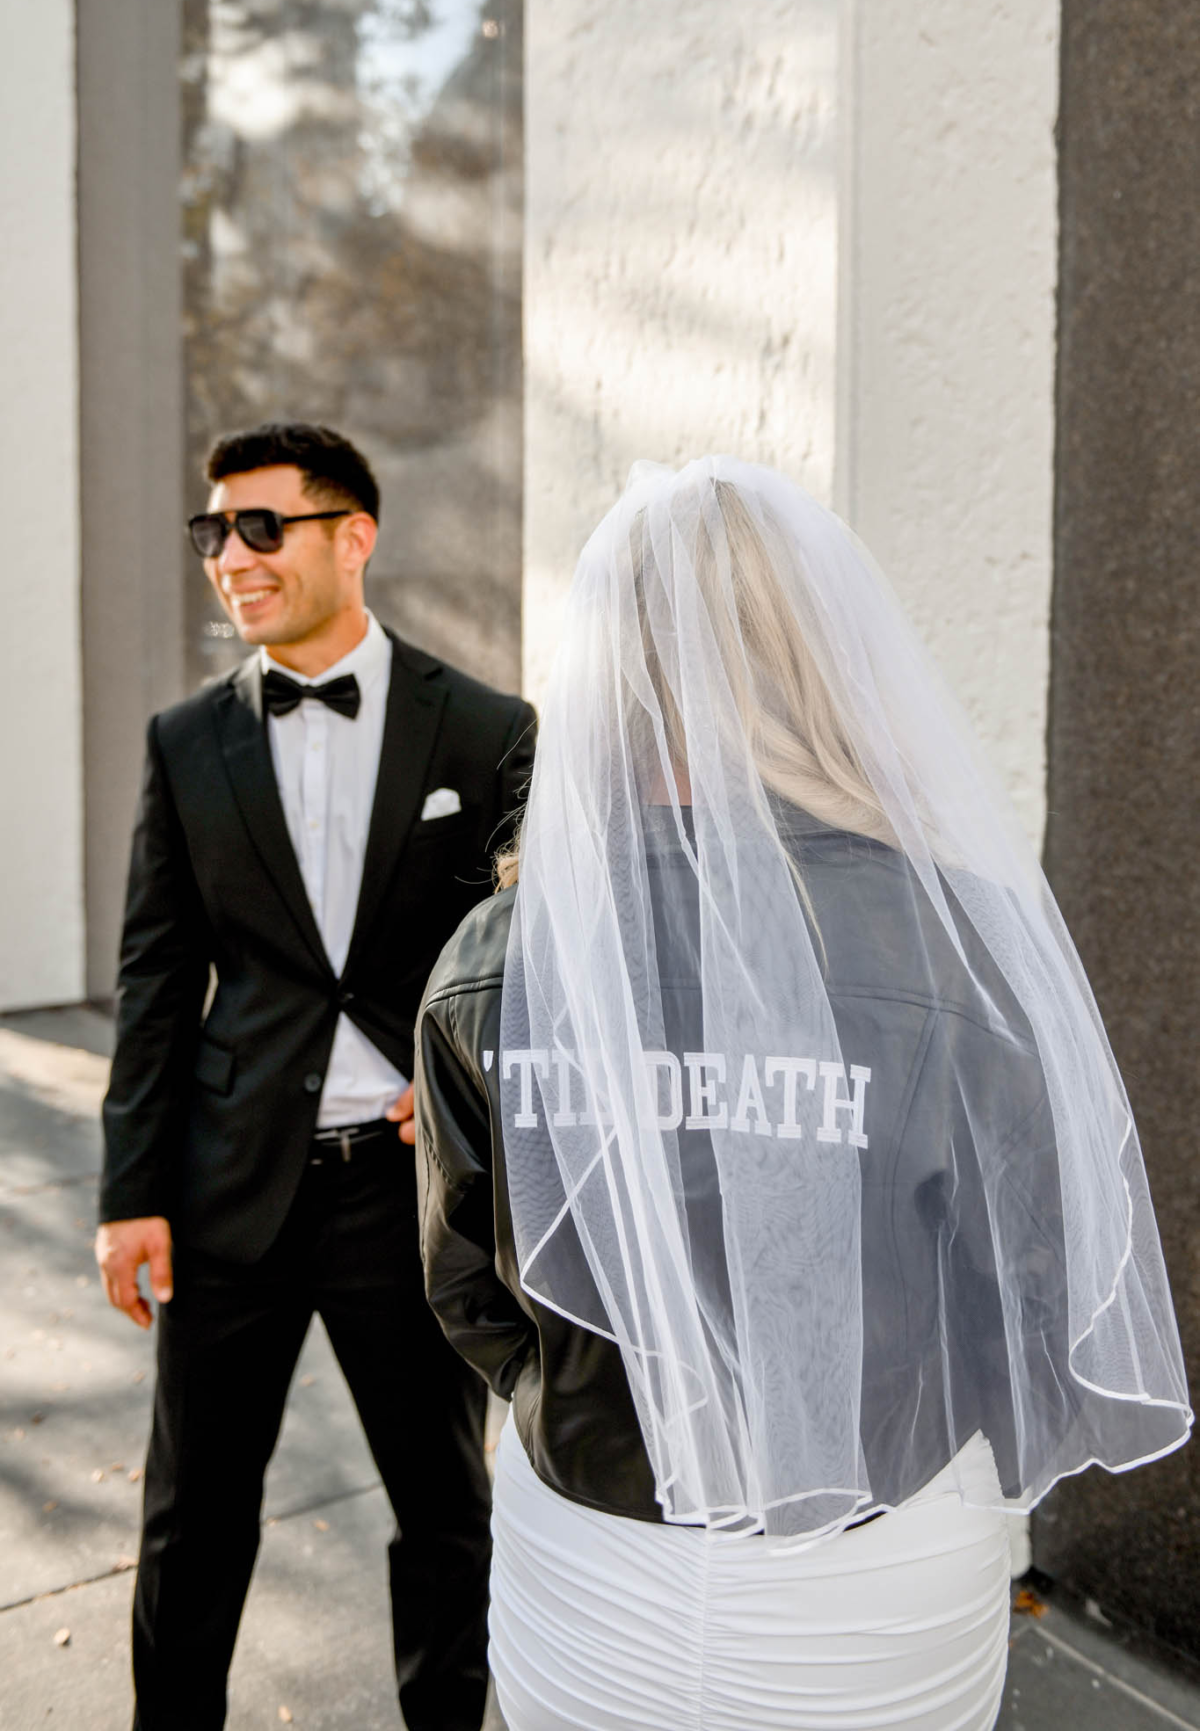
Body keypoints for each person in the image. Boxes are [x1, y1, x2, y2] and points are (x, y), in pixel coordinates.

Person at [413, 456, 1191, 1731]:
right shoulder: (968, 945)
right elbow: (1039, 1293)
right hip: (878, 1574)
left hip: (596, 1550)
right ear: (824, 659)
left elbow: (472, 1290)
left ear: (603, 677)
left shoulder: (498, 956)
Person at [95, 421, 536, 1731]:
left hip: (408, 1198)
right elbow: (156, 978)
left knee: (445, 1512)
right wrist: (131, 1193)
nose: (231, 556)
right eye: (215, 532)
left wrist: (473, 1088)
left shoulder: (488, 730)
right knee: (192, 1521)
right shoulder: (185, 743)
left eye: (261, 527)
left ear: (356, 537)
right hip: (233, 1188)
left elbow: (539, 950)